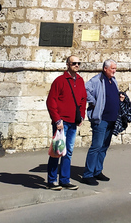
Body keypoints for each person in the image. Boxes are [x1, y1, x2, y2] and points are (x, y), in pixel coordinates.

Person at [46, 55, 87, 190]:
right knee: (57, 151)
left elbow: (82, 100)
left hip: (73, 122)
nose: (76, 65)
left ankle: (64, 179)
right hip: (61, 123)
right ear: (68, 64)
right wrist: (57, 119)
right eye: (74, 63)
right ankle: (52, 180)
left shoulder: (80, 81)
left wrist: (81, 116)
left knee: (68, 152)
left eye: (78, 63)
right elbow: (51, 101)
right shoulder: (60, 81)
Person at [81, 59, 120, 185]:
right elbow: (85, 90)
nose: (114, 71)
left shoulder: (113, 80)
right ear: (105, 69)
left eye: (115, 68)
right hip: (101, 119)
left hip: (111, 119)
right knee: (96, 146)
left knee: (104, 147)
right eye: (112, 68)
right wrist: (94, 102)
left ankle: (97, 171)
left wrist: (120, 97)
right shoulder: (97, 80)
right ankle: (87, 174)